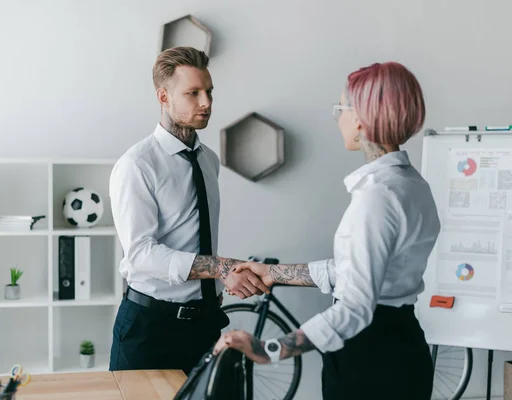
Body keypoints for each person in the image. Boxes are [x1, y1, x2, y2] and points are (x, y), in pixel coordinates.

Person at [214, 61, 441, 400]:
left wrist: (268, 349)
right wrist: (274, 273)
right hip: (402, 346)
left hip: (369, 362)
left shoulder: (377, 198)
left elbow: (355, 307)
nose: (338, 117)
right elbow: (354, 271)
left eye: (341, 108)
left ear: (362, 118)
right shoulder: (412, 185)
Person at [108, 46, 269, 374]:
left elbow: (195, 237)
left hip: (204, 326)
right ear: (164, 96)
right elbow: (140, 254)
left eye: (208, 92)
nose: (206, 102)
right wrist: (219, 267)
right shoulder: (136, 166)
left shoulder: (209, 160)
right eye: (193, 93)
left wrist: (221, 279)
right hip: (150, 329)